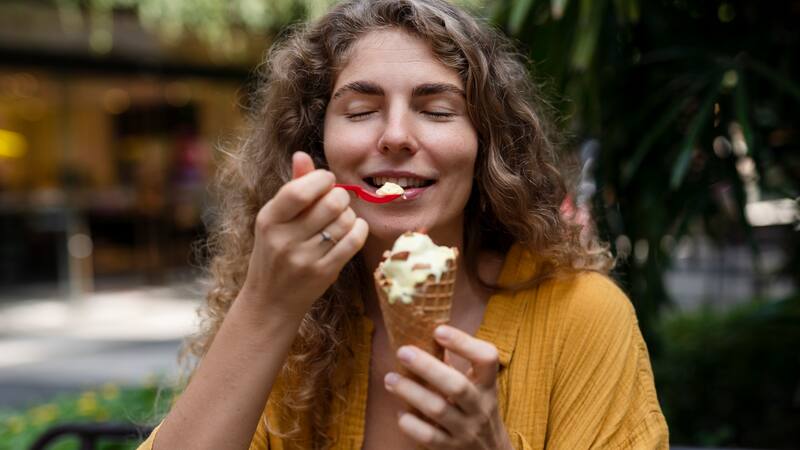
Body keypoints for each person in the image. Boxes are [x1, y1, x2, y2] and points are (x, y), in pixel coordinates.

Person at [138, 0, 669, 448]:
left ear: (486, 146)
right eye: (360, 111)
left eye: (437, 111)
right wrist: (266, 304)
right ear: (318, 146)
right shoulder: (295, 321)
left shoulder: (581, 315)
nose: (395, 136)